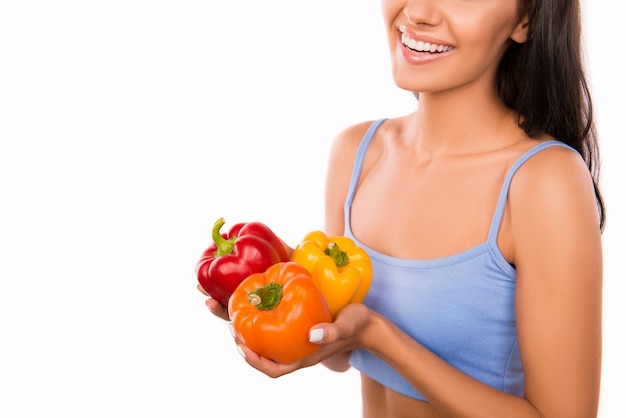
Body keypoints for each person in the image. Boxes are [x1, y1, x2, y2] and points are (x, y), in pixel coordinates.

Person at [201, 0, 605, 416]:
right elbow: (340, 355)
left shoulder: (543, 180)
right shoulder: (357, 153)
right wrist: (278, 287)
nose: (419, 12)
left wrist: (379, 336)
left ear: (525, 21)